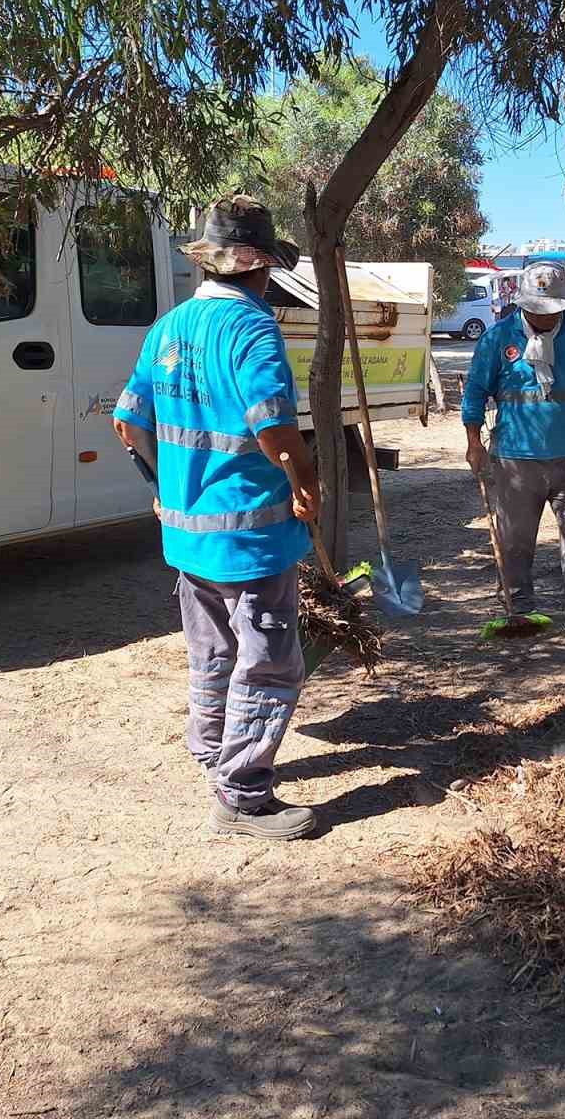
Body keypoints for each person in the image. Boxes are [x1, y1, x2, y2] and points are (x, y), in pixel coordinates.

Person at [113, 195, 322, 841]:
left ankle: (211, 747)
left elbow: (126, 421)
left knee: (211, 651)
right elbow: (275, 432)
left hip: (187, 535)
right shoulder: (253, 330)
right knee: (269, 663)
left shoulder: (169, 327)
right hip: (250, 538)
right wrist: (307, 481)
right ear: (262, 267)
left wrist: (159, 486)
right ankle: (241, 795)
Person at [461, 261, 565, 640]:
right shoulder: (497, 338)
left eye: (552, 310)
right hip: (515, 462)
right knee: (515, 539)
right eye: (537, 310)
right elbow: (474, 391)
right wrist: (474, 443)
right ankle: (519, 609)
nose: (545, 318)